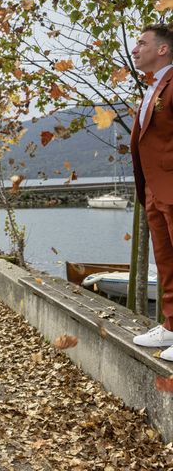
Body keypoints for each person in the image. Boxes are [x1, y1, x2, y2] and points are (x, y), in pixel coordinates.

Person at [129, 23, 173, 360]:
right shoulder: (152, 87)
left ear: (163, 49)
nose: (134, 49)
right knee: (166, 261)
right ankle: (171, 326)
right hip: (155, 190)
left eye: (142, 43)